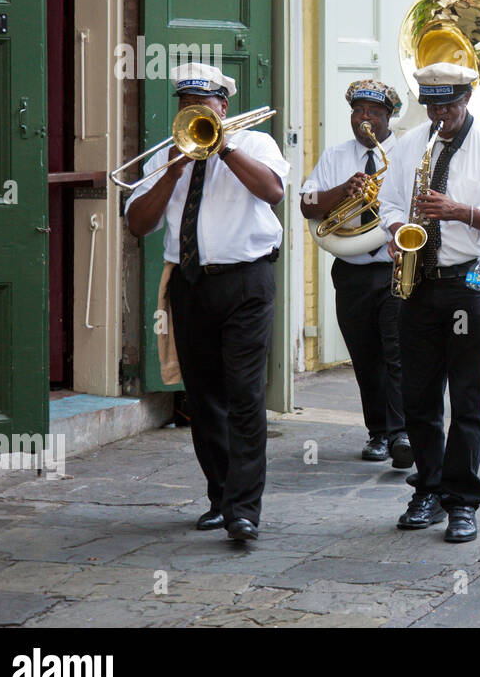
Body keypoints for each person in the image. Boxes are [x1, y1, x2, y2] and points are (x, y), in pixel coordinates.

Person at [124, 63, 290, 542]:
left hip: (247, 282)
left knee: (244, 393)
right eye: (185, 105)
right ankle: (220, 497)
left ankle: (244, 510)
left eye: (204, 104)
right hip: (189, 284)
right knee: (202, 397)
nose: (194, 112)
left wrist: (225, 147)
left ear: (224, 106)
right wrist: (175, 169)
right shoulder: (166, 156)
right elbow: (138, 224)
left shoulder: (256, 145)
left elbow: (273, 191)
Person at [378, 62, 480, 544]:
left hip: (469, 282)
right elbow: (389, 203)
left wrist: (460, 211)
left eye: (449, 105)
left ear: (468, 99)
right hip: (418, 281)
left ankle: (462, 500)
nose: (440, 115)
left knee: (465, 397)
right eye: (432, 105)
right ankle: (428, 487)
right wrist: (398, 230)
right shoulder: (409, 142)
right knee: (418, 394)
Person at [299, 79, 411, 467]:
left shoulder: (407, 153)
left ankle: (401, 434)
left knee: (398, 352)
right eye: (358, 111)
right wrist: (343, 192)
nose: (365, 119)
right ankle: (377, 432)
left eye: (374, 113)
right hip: (351, 272)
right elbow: (308, 204)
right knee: (365, 356)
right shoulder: (334, 157)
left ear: (389, 118)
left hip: (396, 266)